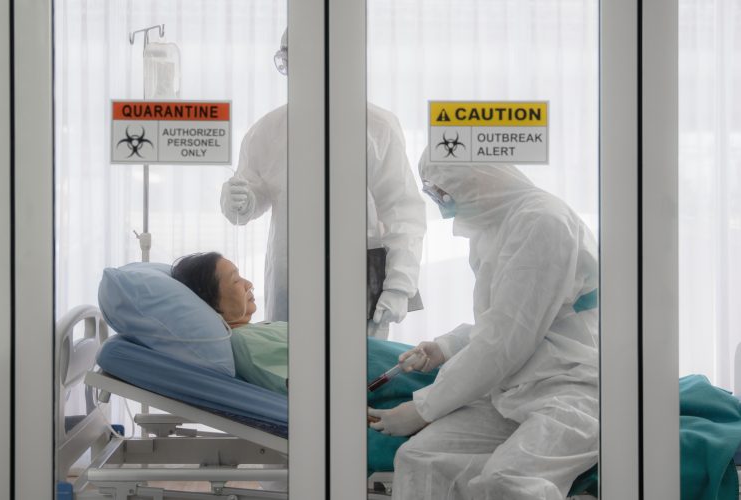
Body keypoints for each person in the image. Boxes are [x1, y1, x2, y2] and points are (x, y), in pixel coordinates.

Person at [367, 149, 600, 499]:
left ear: (480, 174)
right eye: (433, 193)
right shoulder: (492, 227)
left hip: (571, 390)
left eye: (443, 191)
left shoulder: (542, 222)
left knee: (508, 481)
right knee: (421, 457)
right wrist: (444, 346)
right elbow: (504, 321)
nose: (442, 204)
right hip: (514, 390)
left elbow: (506, 340)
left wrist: (422, 408)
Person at [220, 30, 426, 337]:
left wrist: (399, 285)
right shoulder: (268, 130)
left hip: (358, 274)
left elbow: (402, 211)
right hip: (291, 276)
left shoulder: (376, 126)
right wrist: (241, 200)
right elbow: (254, 193)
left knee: (356, 373)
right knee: (290, 367)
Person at [170, 251, 437, 474]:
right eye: (236, 280)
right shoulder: (244, 342)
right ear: (211, 300)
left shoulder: (254, 331)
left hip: (395, 365)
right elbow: (309, 392)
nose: (249, 283)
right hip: (393, 381)